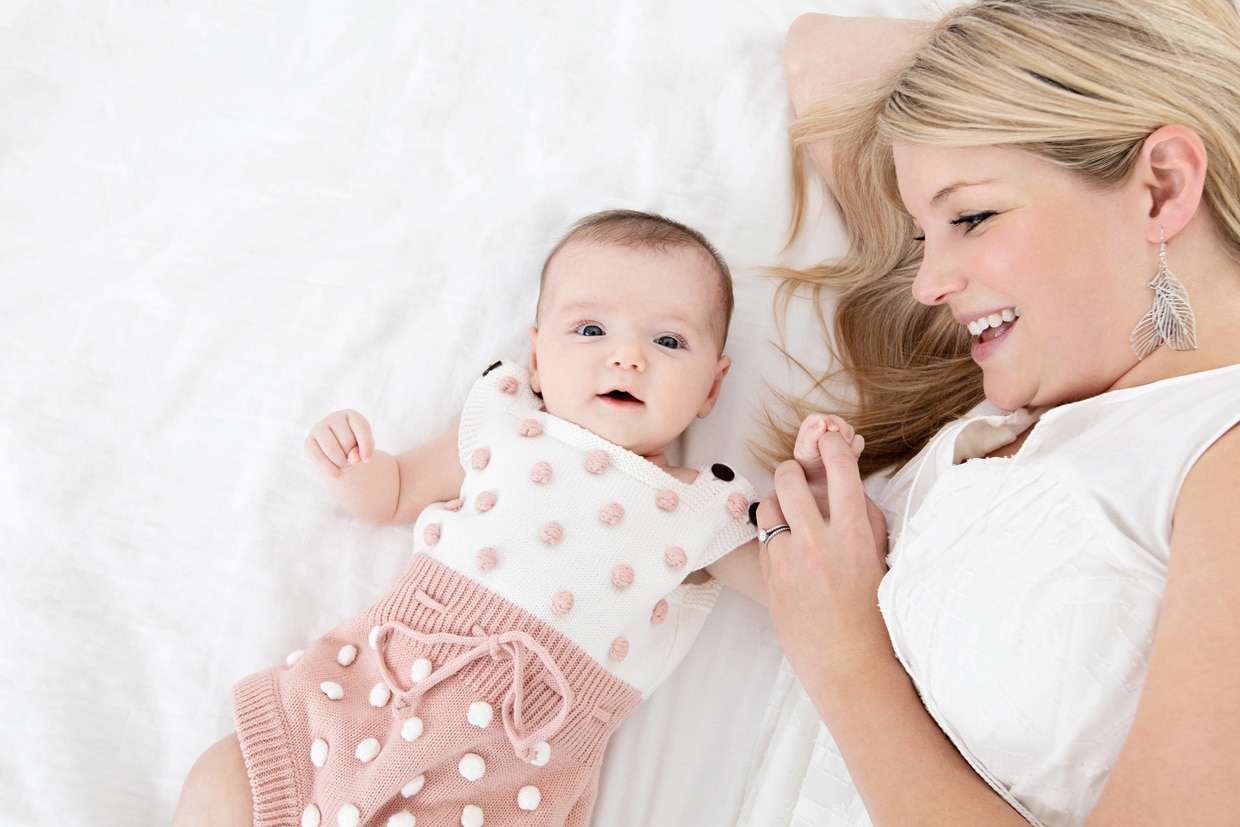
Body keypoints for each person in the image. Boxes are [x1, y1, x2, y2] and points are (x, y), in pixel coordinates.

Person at [742, 1, 1240, 825]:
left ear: (1163, 187)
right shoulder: (1059, 384)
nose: (926, 282)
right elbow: (820, 52)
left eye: (971, 216)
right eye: (920, 234)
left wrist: (847, 656)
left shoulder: (1220, 453)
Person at [169, 209, 765, 827]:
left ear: (712, 389)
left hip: (508, 767)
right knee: (224, 781)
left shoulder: (700, 509)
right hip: (374, 694)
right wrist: (354, 466)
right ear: (534, 358)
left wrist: (818, 503)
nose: (626, 357)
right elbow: (395, 493)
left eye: (668, 341)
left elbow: (796, 582)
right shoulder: (507, 424)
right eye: (590, 329)